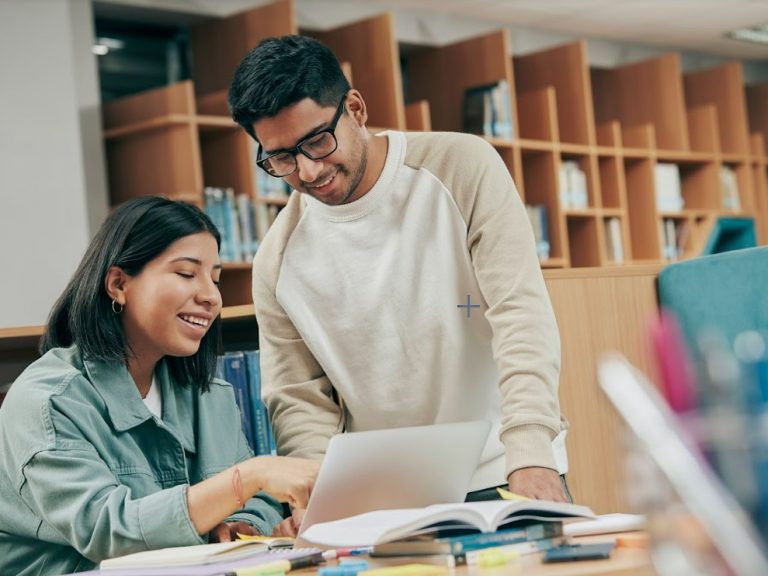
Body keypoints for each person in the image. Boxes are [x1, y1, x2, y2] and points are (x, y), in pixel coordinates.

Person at [228, 35, 569, 519]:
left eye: (318, 141)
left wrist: (531, 450)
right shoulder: (277, 260)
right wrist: (319, 494)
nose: (308, 170)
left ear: (355, 109)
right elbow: (299, 398)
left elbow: (520, 313)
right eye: (282, 158)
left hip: (509, 471)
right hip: (385, 500)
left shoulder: (462, 167)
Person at [0, 197, 319, 576]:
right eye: (186, 274)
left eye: (215, 279)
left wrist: (241, 525)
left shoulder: (210, 395)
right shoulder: (47, 402)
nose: (211, 296)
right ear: (118, 284)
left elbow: (261, 500)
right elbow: (108, 530)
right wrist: (248, 477)